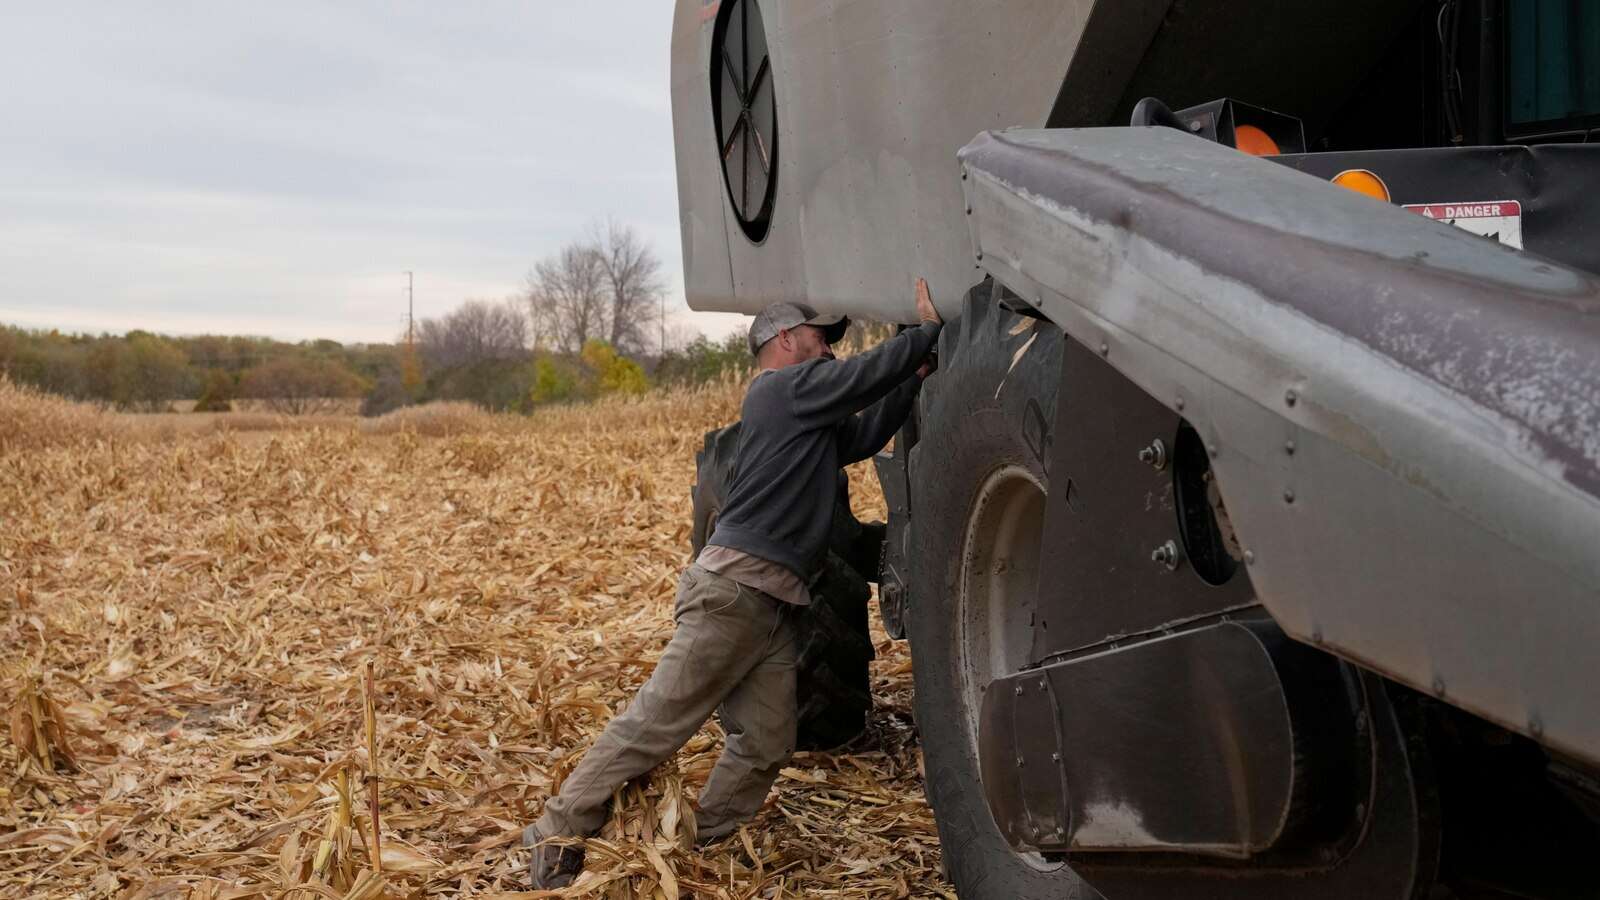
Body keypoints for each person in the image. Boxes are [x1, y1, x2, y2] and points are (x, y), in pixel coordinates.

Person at [524, 280, 943, 888]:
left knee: (767, 741)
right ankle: (556, 828)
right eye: (820, 338)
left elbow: (865, 431)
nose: (828, 349)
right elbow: (857, 380)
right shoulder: (777, 393)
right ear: (784, 339)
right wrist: (922, 333)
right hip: (731, 596)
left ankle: (696, 846)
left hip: (773, 609)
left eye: (832, 342)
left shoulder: (808, 422)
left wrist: (915, 375)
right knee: (655, 725)